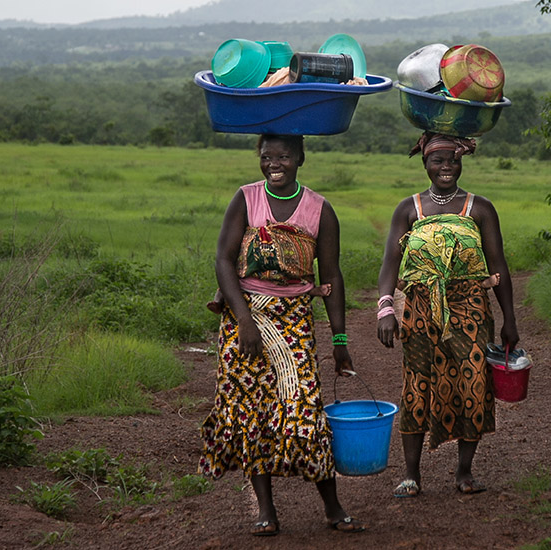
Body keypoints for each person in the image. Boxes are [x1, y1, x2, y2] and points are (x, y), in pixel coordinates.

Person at [199, 134, 365, 536]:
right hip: (245, 317)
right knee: (251, 411)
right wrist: (243, 319)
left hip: (294, 321)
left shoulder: (320, 209)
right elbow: (223, 258)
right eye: (266, 155)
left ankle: (332, 505)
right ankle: (266, 510)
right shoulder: (246, 198)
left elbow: (332, 276)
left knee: (304, 410)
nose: (274, 163)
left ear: (301, 158)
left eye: (284, 156)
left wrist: (339, 340)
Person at [376, 131, 520, 498]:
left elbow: (498, 263)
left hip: (470, 309)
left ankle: (464, 471)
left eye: (453, 161)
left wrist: (509, 319)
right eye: (438, 161)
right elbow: (390, 264)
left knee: (474, 382)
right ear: (425, 164)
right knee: (417, 385)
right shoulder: (409, 209)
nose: (446, 168)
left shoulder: (480, 208)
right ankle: (411, 474)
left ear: (461, 163)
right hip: (420, 310)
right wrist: (386, 308)